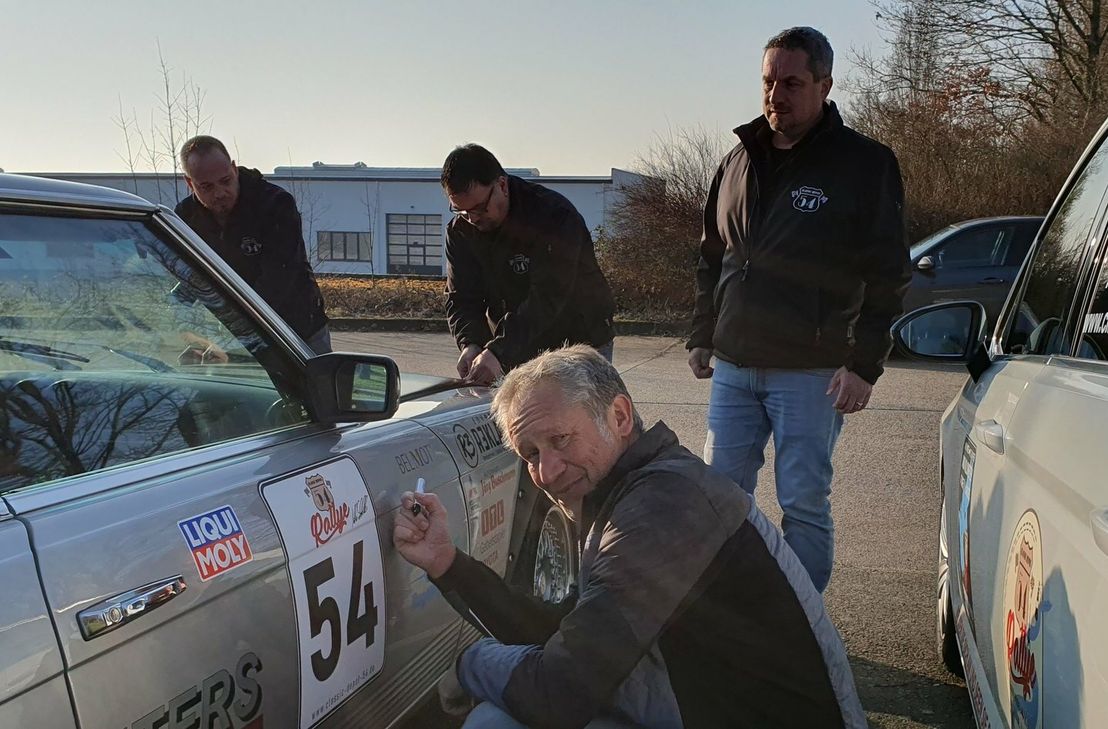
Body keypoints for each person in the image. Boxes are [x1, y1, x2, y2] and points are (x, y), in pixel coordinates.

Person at [394, 345, 866, 729]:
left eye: (560, 440)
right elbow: (568, 640)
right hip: (702, 706)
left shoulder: (665, 504)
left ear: (619, 417)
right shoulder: (633, 486)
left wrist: (470, 663)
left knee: (494, 724)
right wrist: (446, 561)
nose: (547, 471)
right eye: (530, 454)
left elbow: (558, 696)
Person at [687, 27, 911, 592]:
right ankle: (731, 616)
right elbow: (712, 255)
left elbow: (887, 273)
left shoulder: (863, 164)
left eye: (791, 82)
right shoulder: (738, 158)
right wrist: (701, 333)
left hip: (810, 370)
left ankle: (803, 631)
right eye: (768, 81)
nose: (775, 95)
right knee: (719, 498)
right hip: (734, 365)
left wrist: (864, 364)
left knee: (803, 504)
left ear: (824, 84)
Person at [442, 144, 616, 385]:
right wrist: (471, 343)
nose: (473, 219)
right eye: (461, 211)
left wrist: (498, 351)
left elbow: (548, 296)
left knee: (582, 420)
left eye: (480, 208)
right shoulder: (460, 231)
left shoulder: (553, 216)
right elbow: (461, 296)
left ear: (501, 185)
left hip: (579, 341)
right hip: (515, 345)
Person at [175, 135, 332, 354]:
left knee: (317, 386)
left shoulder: (275, 204)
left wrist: (236, 336)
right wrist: (174, 313)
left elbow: (279, 277)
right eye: (206, 187)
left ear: (234, 169)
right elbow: (186, 275)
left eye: (225, 181)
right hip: (233, 333)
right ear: (190, 183)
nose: (219, 193)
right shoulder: (186, 218)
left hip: (299, 328)